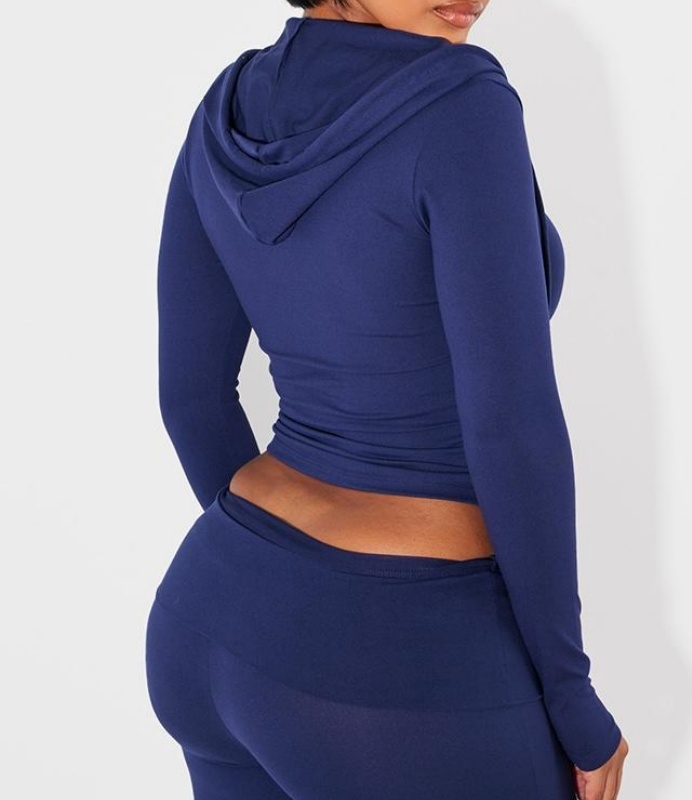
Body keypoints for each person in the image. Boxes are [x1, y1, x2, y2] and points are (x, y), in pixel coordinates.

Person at [144, 1, 630, 798]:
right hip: (399, 667)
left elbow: (189, 396)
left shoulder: (224, 112)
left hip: (210, 619)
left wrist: (275, 587)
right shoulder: (460, 103)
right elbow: (511, 429)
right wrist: (571, 696)